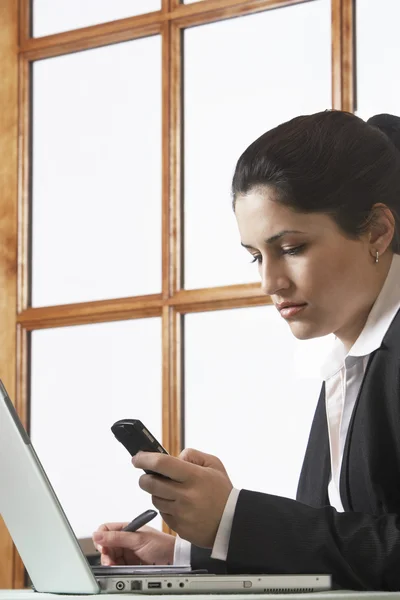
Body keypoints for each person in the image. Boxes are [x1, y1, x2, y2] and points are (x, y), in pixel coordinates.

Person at [92, 110, 400, 591]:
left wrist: (234, 518)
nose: (268, 282)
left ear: (378, 231)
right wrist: (186, 551)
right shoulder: (351, 356)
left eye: (292, 247)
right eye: (257, 256)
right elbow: (347, 550)